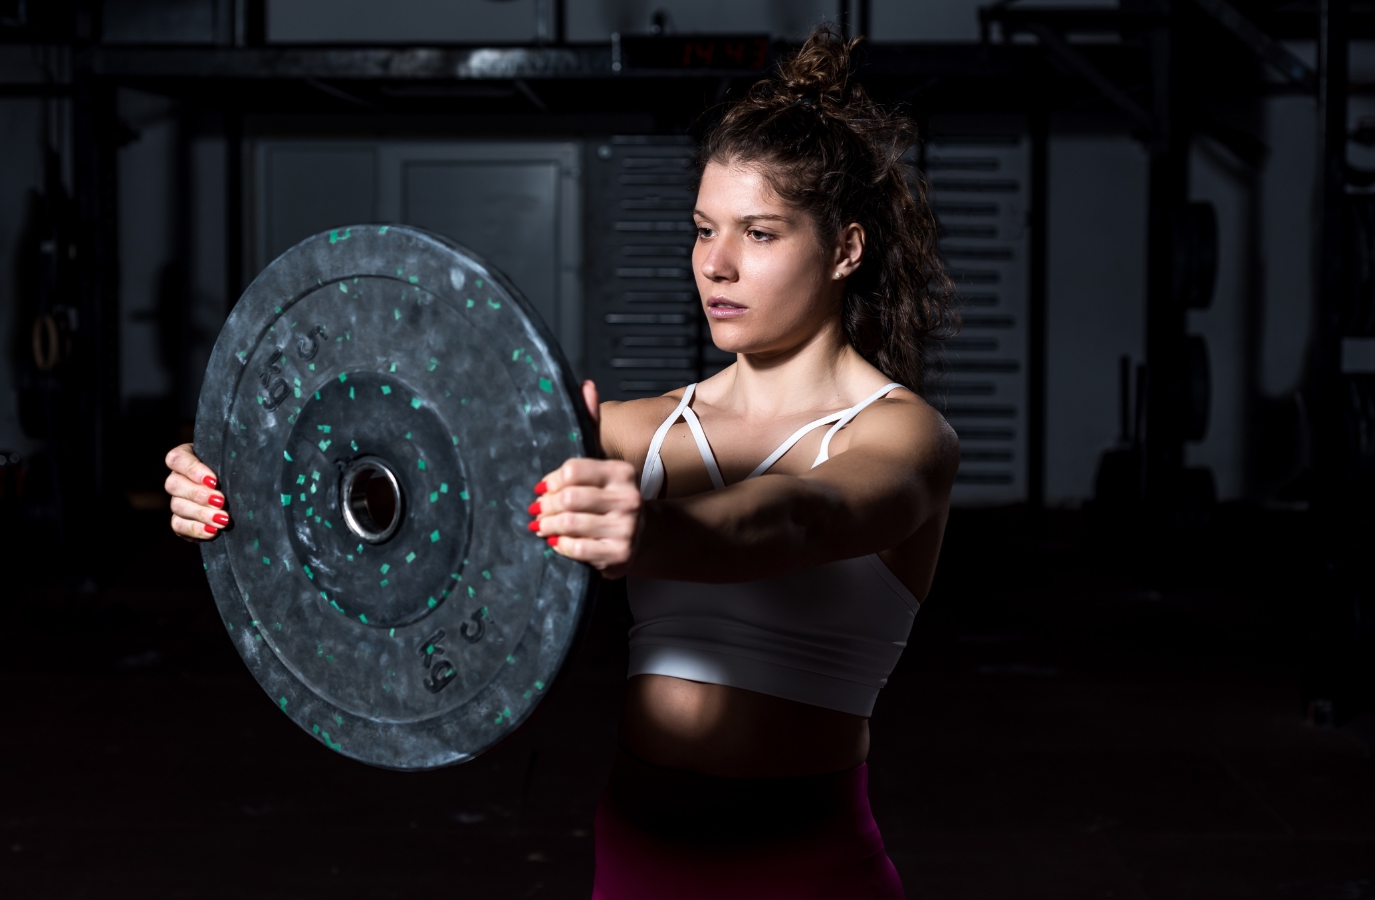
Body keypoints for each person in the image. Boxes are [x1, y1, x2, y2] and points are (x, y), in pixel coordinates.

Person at [163, 26, 957, 899]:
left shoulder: (901, 438)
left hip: (810, 867)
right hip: (638, 855)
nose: (716, 265)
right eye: (702, 231)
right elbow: (421, 474)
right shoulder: (642, 430)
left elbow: (802, 516)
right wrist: (231, 483)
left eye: (759, 234)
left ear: (845, 249)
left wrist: (651, 527)